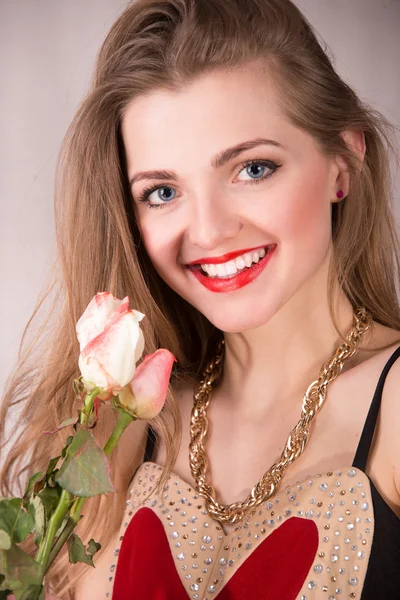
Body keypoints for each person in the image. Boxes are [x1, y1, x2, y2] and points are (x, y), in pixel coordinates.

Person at [1, 0, 400, 598]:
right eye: (162, 191)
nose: (208, 231)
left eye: (253, 169)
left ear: (343, 162)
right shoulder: (121, 427)